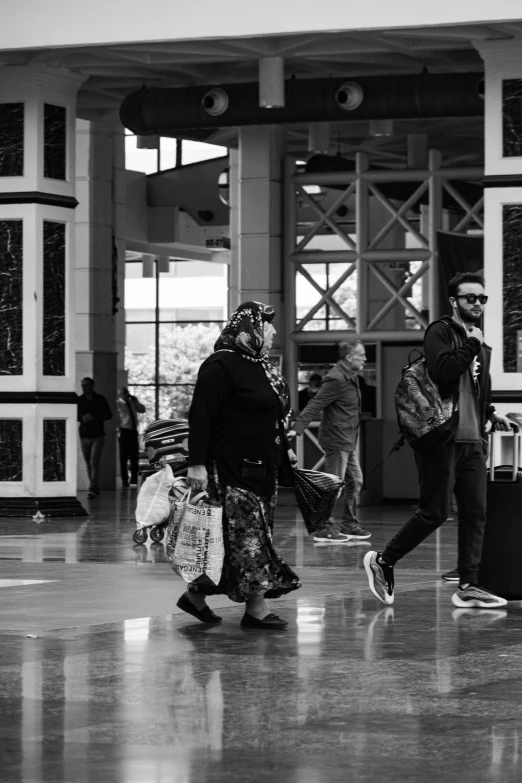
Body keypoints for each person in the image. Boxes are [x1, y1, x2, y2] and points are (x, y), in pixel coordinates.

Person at [364, 272, 512, 609]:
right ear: (454, 301)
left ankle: (469, 585)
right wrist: (472, 342)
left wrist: (489, 413)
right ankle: (383, 560)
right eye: (470, 298)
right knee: (434, 512)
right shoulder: (441, 331)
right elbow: (444, 371)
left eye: (481, 298)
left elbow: (471, 389)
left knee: (476, 513)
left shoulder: (478, 340)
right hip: (441, 437)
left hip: (472, 439)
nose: (477, 303)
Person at [181, 301, 301, 629]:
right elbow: (201, 418)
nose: (274, 331)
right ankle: (256, 608)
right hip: (230, 464)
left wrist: (285, 449)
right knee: (248, 532)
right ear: (250, 329)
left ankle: (195, 596)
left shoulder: (262, 366)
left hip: (260, 464)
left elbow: (272, 415)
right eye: (267, 324)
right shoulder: (221, 365)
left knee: (242, 533)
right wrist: (197, 465)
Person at [289, 336, 371, 544]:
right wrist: (298, 428)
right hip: (337, 440)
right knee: (332, 485)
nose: (365, 358)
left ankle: (349, 524)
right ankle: (322, 528)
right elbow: (316, 403)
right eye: (362, 355)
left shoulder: (350, 376)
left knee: (355, 480)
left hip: (347, 439)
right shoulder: (336, 378)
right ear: (349, 357)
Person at [77, 377, 113, 498]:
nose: (84, 388)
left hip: (98, 435)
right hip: (84, 435)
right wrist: (82, 417)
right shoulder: (79, 400)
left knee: (94, 462)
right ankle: (94, 486)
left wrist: (94, 417)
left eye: (86, 385)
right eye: (82, 385)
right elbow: (74, 415)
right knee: (88, 463)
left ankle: (92, 486)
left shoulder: (100, 399)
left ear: (92, 386)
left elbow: (108, 414)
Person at [117, 386, 146, 487]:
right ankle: (125, 481)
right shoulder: (118, 404)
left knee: (134, 457)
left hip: (133, 432)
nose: (126, 394)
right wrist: (118, 431)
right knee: (123, 458)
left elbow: (142, 409)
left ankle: (133, 480)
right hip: (124, 432)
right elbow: (116, 419)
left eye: (127, 392)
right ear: (120, 394)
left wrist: (136, 401)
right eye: (124, 393)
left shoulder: (132, 403)